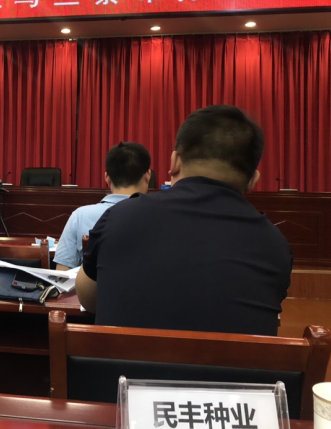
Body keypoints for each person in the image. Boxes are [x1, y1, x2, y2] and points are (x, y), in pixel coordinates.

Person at [76, 105, 292, 336]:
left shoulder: (118, 216)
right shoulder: (275, 245)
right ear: (253, 180)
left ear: (174, 162)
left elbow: (88, 298)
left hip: (124, 361)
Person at [53, 142, 151, 271]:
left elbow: (62, 273)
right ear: (148, 175)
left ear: (107, 177)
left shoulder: (80, 216)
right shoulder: (160, 216)